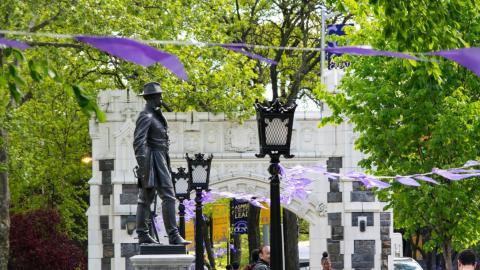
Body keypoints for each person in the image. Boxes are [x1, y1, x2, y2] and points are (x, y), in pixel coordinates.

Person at [133, 82, 191, 245]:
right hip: (152, 159)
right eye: (159, 95)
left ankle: (144, 233)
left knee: (146, 198)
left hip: (160, 157)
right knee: (167, 196)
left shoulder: (156, 114)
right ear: (152, 98)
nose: (161, 98)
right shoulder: (146, 115)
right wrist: (143, 166)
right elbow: (138, 142)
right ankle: (171, 235)